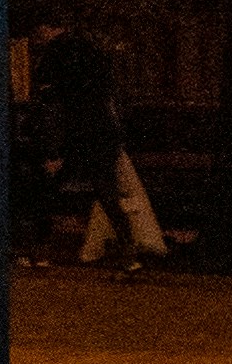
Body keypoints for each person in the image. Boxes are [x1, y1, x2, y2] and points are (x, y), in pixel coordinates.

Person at [38, 17, 165, 271]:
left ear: (47, 28)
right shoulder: (92, 51)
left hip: (76, 132)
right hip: (102, 131)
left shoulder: (55, 55)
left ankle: (45, 248)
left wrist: (54, 149)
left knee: (48, 189)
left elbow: (54, 106)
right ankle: (128, 248)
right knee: (106, 189)